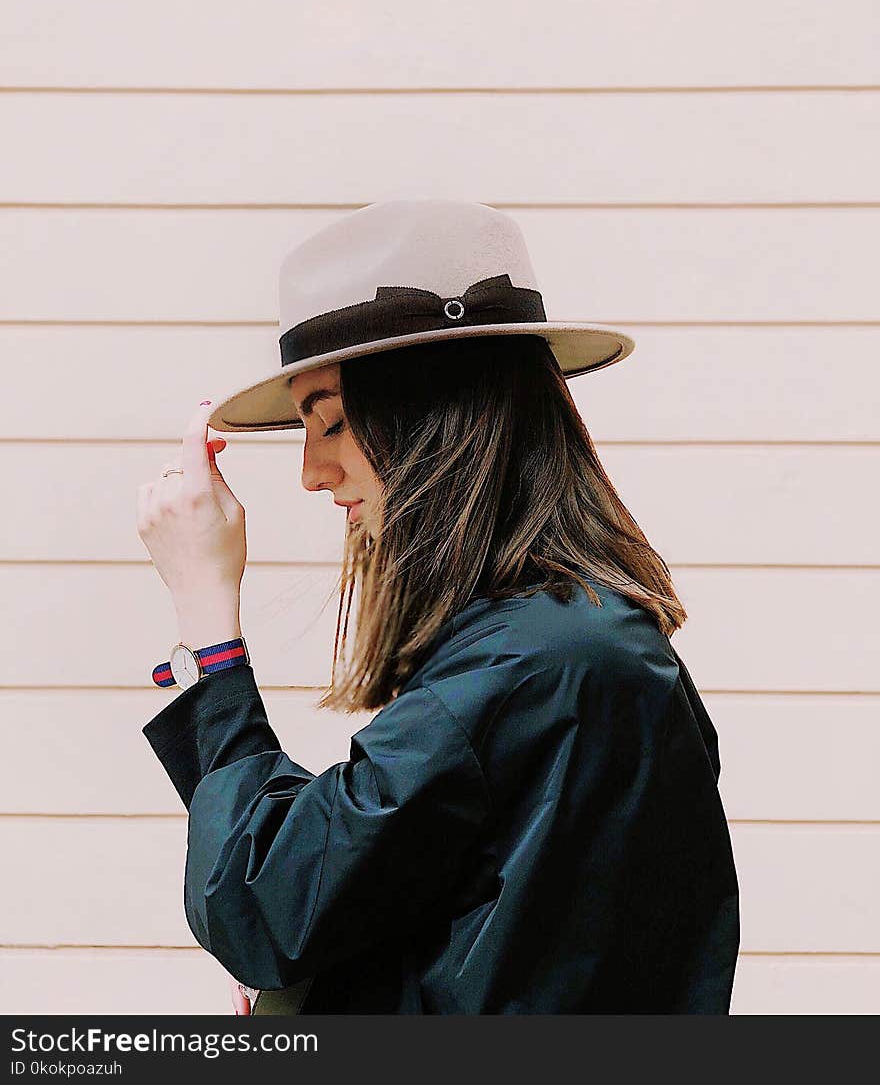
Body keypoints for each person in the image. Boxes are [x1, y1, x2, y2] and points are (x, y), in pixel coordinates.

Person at [138, 199, 739, 1015]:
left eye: (335, 422)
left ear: (435, 420)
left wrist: (208, 619)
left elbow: (263, 905)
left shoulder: (528, 666)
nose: (313, 473)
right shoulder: (571, 645)